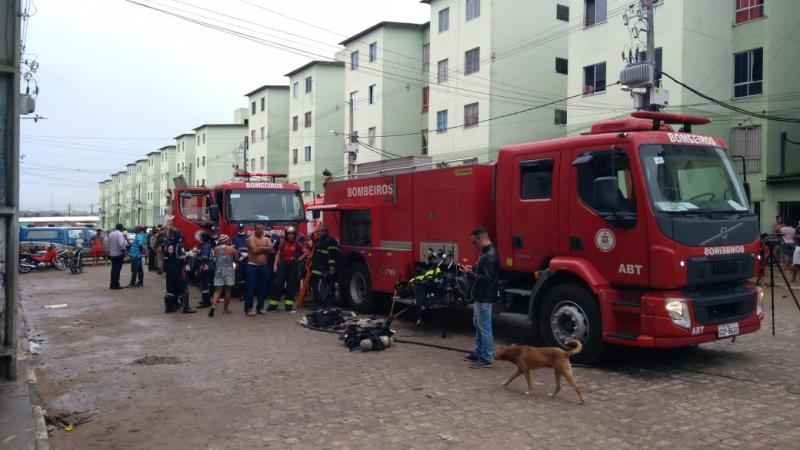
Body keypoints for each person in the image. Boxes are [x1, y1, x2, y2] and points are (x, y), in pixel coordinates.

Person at [459, 227, 500, 369]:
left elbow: (487, 279)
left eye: (474, 242)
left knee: (484, 327)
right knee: (478, 324)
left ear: (481, 238)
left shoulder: (489, 255)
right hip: (481, 295)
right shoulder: (487, 251)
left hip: (485, 296)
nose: (474, 245)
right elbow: (484, 272)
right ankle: (478, 353)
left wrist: (470, 274)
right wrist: (473, 269)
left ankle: (487, 358)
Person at [269, 226, 306, 312]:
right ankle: (273, 305)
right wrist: (275, 265)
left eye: (292, 234)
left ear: (294, 235)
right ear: (286, 235)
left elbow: (306, 252)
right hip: (283, 265)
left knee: (291, 286)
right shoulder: (283, 243)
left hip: (293, 266)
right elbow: (278, 254)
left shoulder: (297, 244)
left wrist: (298, 259)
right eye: (289, 234)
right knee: (278, 285)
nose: (290, 235)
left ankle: (288, 306)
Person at [244, 223, 275, 316]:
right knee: (251, 287)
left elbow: (272, 250)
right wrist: (266, 248)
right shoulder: (251, 239)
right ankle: (248, 308)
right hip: (252, 266)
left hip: (264, 266)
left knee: (263, 287)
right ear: (254, 229)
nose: (260, 230)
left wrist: (261, 248)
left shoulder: (266, 239)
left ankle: (260, 307)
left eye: (262, 229)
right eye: (258, 229)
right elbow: (254, 251)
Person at [163, 229, 196, 314]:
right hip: (177, 268)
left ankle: (169, 307)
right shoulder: (179, 245)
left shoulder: (167, 244)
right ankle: (186, 307)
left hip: (169, 269)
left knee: (170, 288)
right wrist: (186, 262)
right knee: (183, 287)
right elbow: (182, 258)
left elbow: (165, 257)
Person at [308, 225, 339, 309]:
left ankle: (323, 304)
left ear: (326, 231)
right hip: (316, 269)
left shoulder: (330, 241)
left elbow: (333, 254)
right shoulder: (318, 241)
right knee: (315, 288)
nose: (320, 232)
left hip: (324, 269)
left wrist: (332, 266)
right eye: (319, 231)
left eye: (322, 231)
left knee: (322, 287)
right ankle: (318, 303)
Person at [208, 234, 239, 317]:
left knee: (218, 290)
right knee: (228, 290)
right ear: (227, 240)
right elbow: (236, 260)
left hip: (218, 271)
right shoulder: (231, 249)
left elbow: (214, 259)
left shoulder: (215, 249)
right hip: (229, 272)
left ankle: (213, 306)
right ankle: (225, 309)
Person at [196, 232, 214, 309]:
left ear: (203, 238)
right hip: (208, 265)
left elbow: (204, 257)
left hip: (205, 265)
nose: (199, 238)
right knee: (205, 283)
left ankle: (206, 302)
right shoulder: (206, 245)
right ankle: (207, 301)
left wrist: (196, 257)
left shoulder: (205, 246)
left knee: (204, 284)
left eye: (200, 237)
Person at [108, 224, 127, 290]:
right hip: (119, 254)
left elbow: (109, 244)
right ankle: (116, 284)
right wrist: (124, 251)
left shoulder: (111, 234)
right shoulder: (120, 234)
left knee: (113, 269)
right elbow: (121, 244)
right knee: (117, 270)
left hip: (112, 254)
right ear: (121, 228)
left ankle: (112, 284)